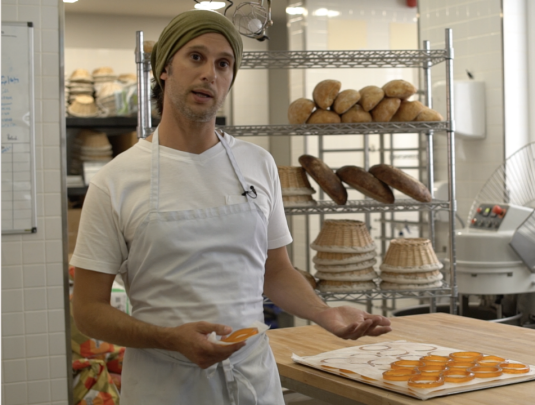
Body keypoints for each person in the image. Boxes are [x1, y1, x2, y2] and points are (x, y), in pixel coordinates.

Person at [70, 9, 391, 404]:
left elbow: (276, 271)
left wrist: (323, 313)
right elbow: (86, 309)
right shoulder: (115, 181)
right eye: (196, 57)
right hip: (166, 385)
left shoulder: (257, 164)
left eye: (224, 64)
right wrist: (168, 338)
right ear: (164, 70)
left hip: (253, 380)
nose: (210, 73)